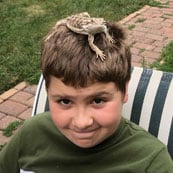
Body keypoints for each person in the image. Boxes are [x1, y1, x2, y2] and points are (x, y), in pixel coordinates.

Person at [0, 12, 172, 173]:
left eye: (98, 100)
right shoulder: (31, 134)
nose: (82, 123)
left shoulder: (152, 163)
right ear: (48, 91)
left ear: (124, 90)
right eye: (65, 101)